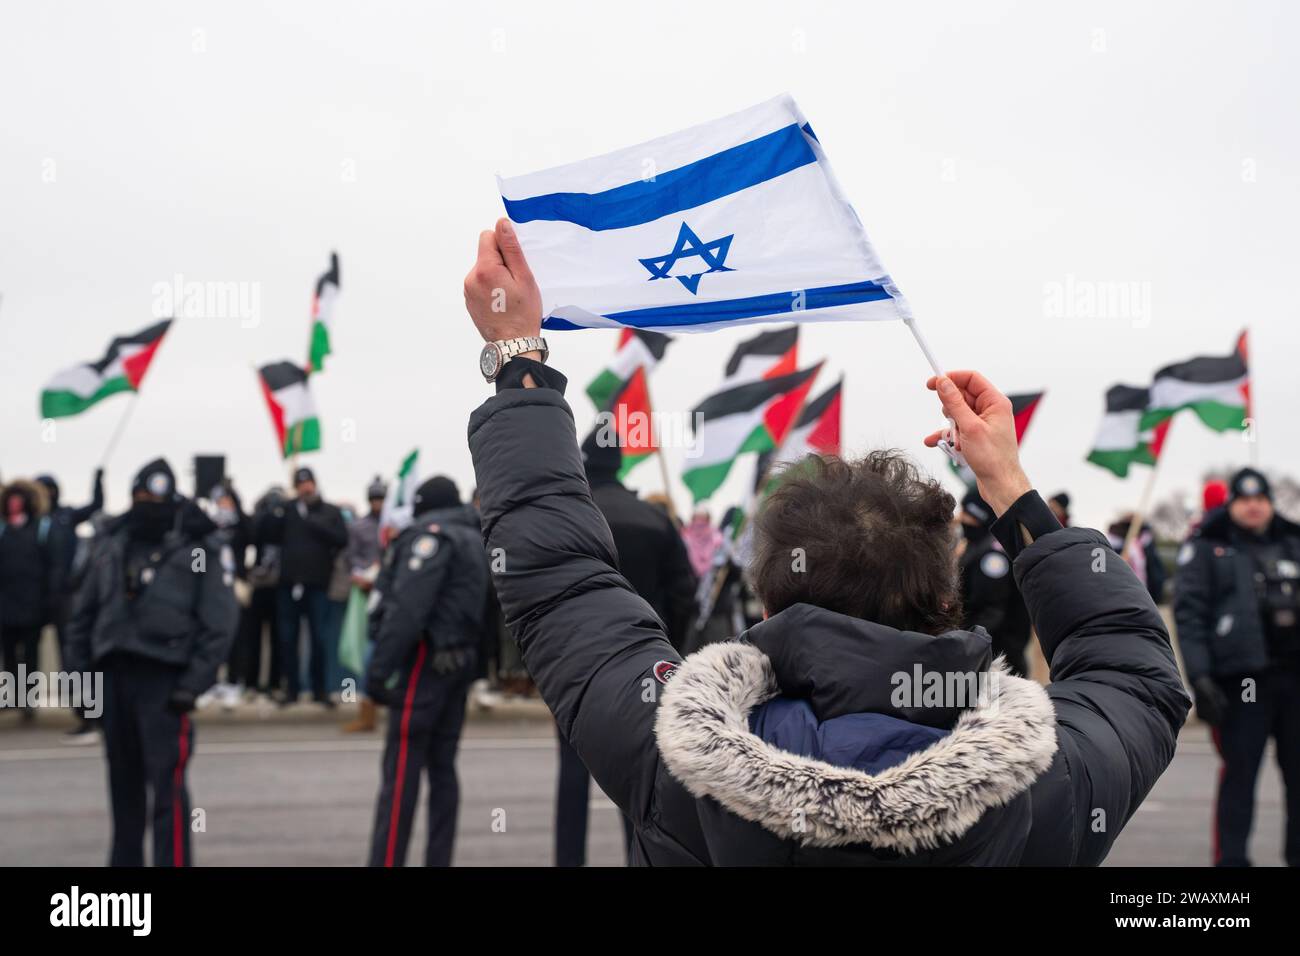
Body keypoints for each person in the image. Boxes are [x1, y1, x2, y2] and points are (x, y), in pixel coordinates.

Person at [462, 218, 1188, 865]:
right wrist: (1009, 486)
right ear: (943, 592)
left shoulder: (678, 756)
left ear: (772, 592)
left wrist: (519, 358)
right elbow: (1133, 670)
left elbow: (559, 582)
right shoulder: (1046, 779)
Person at [65, 459, 237, 866]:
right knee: (124, 798)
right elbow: (81, 621)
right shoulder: (110, 545)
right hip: (113, 679)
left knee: (168, 794)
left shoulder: (197, 550)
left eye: (155, 499)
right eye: (141, 497)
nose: (147, 506)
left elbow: (219, 622)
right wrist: (80, 686)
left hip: (165, 682)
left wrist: (192, 684)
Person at [553, 432, 697, 866]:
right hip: (644, 667)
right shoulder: (654, 519)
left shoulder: (567, 517)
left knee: (573, 776)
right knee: (637, 781)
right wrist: (670, 648)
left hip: (575, 667)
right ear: (620, 463)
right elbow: (686, 593)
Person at [1174, 467, 1300, 866]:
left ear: (1270, 503)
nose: (1253, 507)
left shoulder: (1292, 541)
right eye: (1244, 500)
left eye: (1260, 499)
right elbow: (1190, 616)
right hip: (1244, 682)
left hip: (1294, 680)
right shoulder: (1209, 546)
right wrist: (1201, 678)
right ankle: (1232, 862)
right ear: (1231, 505)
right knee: (1240, 779)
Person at [365, 475, 489, 867]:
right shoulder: (474, 538)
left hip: (424, 660)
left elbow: (408, 610)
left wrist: (377, 670)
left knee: (400, 774)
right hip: (458, 662)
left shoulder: (429, 537)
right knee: (443, 770)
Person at [263, 466, 348, 706]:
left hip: (318, 585)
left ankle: (319, 689)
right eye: (300, 484)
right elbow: (266, 535)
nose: (305, 487)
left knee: (319, 638)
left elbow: (342, 539)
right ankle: (292, 690)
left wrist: (310, 520)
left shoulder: (330, 511)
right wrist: (275, 510)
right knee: (288, 639)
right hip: (288, 585)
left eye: (308, 483)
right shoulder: (287, 511)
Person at [34, 471, 104, 740]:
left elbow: (95, 505)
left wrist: (97, 480)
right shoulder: (35, 522)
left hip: (70, 599)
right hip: (44, 600)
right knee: (67, 663)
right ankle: (83, 713)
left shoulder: (65, 517)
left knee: (78, 658)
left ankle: (92, 715)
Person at [0, 479, 61, 723]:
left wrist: (49, 600)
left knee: (30, 653)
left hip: (33, 602)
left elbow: (52, 567)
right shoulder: (3, 530)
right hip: (5, 603)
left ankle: (28, 699)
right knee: (9, 654)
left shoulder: (42, 529)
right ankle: (11, 696)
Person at [956, 488, 1032, 677]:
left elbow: (990, 611)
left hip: (998, 659)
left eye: (967, 513)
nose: (961, 518)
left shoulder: (992, 554)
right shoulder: (978, 543)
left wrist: (966, 649)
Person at [341, 477, 387, 733]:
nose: (378, 504)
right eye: (375, 499)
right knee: (366, 649)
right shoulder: (359, 527)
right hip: (366, 595)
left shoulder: (398, 527)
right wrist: (362, 575)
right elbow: (352, 558)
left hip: (393, 596)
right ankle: (368, 712)